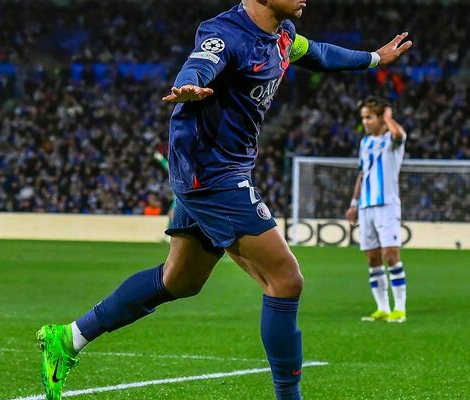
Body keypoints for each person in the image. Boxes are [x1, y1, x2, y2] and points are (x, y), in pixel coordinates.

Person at [35, 1, 412, 399]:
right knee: (285, 280)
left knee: (179, 280)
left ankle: (69, 338)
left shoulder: (283, 36)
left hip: (216, 169)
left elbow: (318, 53)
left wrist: (374, 58)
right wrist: (190, 85)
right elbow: (202, 61)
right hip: (211, 172)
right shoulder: (226, 33)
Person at [345, 97, 408, 323]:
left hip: (387, 205)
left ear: (381, 117)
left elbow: (399, 135)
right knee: (373, 258)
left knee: (391, 256)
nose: (365, 121)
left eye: (369, 117)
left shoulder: (392, 139)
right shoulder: (365, 143)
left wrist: (388, 118)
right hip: (366, 206)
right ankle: (382, 308)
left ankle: (399, 308)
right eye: (363, 117)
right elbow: (362, 174)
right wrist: (353, 204)